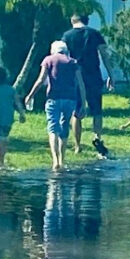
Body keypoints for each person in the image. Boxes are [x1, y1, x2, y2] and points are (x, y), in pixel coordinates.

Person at [25, 41, 87, 171]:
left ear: (53, 50)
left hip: (53, 98)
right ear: (65, 50)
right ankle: (62, 160)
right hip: (70, 99)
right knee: (64, 127)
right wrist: (83, 102)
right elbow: (81, 84)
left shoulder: (48, 60)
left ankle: (55, 160)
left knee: (53, 128)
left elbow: (41, 80)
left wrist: (30, 95)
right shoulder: (73, 62)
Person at [62, 14, 115, 157]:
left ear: (72, 21)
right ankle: (97, 138)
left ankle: (77, 145)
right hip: (93, 75)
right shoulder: (94, 34)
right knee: (97, 110)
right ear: (87, 21)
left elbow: (63, 57)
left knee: (77, 111)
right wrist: (110, 74)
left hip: (75, 76)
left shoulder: (67, 36)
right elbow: (104, 54)